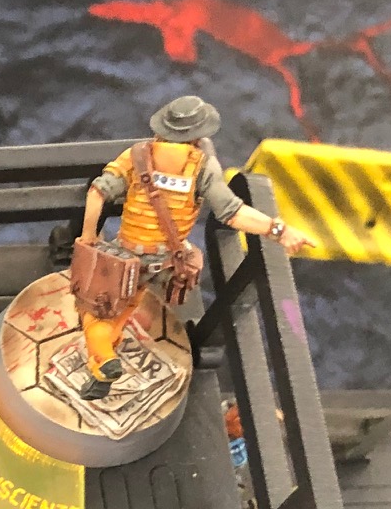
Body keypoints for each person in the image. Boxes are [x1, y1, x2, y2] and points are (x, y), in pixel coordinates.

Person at [72, 95, 316, 397]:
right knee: (129, 303)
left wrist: (88, 237)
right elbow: (232, 213)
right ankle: (107, 353)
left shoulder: (136, 156)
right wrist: (278, 230)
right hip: (167, 262)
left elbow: (97, 193)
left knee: (92, 311)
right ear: (198, 136)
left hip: (126, 255)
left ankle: (105, 359)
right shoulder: (203, 167)